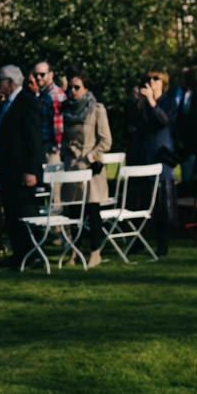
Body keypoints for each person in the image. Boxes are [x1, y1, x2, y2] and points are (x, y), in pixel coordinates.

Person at [0, 65, 44, 267]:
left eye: (0, 80)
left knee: (24, 211)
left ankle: (32, 254)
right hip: (8, 168)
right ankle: (19, 254)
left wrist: (31, 170)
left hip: (21, 169)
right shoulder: (6, 103)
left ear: (10, 82)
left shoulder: (26, 101)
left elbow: (34, 139)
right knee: (11, 212)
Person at [59, 69, 112, 268]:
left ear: (86, 88)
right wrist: (66, 156)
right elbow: (64, 138)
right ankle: (74, 251)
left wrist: (89, 158)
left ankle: (95, 252)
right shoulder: (67, 110)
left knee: (92, 211)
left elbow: (106, 141)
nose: (72, 91)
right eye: (70, 87)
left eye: (77, 87)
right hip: (72, 168)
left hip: (90, 170)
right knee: (72, 212)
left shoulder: (97, 109)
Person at [127, 69, 178, 256]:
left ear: (163, 82)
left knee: (162, 204)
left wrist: (151, 102)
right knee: (138, 201)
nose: (151, 82)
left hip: (160, 158)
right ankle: (138, 240)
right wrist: (138, 101)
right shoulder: (140, 103)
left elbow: (163, 121)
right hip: (141, 156)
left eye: (155, 79)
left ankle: (163, 243)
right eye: (148, 79)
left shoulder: (169, 102)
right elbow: (131, 123)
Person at [31, 60, 66, 160]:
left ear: (51, 75)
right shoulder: (43, 94)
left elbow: (59, 127)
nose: (38, 77)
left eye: (42, 74)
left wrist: (55, 150)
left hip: (52, 150)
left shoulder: (54, 95)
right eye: (35, 75)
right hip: (44, 147)